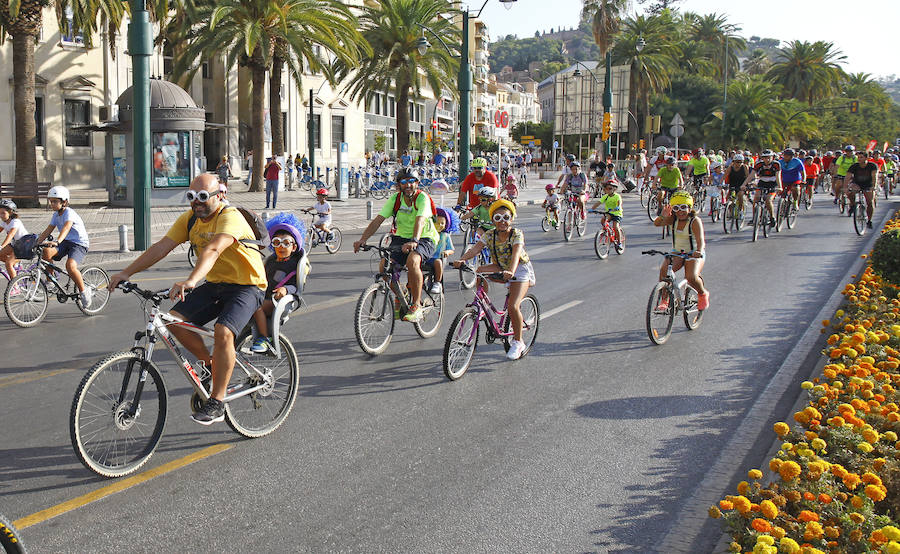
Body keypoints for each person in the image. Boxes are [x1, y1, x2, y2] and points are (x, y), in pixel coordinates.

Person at [109, 174, 268, 425]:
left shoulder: (230, 217)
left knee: (223, 332)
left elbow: (214, 248)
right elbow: (161, 247)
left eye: (204, 197)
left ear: (220, 196)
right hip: (216, 284)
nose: (197, 202)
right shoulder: (190, 219)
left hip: (247, 286)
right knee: (173, 320)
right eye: (192, 197)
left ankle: (217, 402)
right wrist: (126, 272)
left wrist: (191, 281)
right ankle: (211, 366)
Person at [451, 199, 534, 360]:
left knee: (513, 306)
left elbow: (516, 254)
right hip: (500, 266)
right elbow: (475, 249)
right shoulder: (490, 235)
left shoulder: (516, 234)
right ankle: (482, 303)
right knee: (480, 270)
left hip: (519, 269)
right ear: (492, 220)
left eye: (506, 218)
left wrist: (510, 270)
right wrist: (462, 260)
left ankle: (518, 342)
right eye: (497, 218)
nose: (502, 222)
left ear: (512, 219)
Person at [353, 167, 439, 322]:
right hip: (400, 237)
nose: (408, 185)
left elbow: (420, 220)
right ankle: (402, 294)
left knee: (413, 261)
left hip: (425, 237)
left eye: (412, 181)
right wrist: (362, 239)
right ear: (399, 184)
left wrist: (414, 240)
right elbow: (378, 220)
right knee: (384, 266)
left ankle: (416, 305)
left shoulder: (422, 198)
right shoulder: (395, 199)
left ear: (417, 183)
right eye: (404, 182)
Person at [251, 213, 306, 353]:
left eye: (286, 243)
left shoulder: (294, 264)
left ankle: (264, 338)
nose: (281, 247)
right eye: (276, 242)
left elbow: (296, 284)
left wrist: (285, 290)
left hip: (278, 300)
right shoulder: (270, 260)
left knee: (257, 307)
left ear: (294, 247)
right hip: (263, 294)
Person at [34, 186, 92, 307]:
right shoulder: (56, 215)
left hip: (79, 243)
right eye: (51, 201)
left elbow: (66, 228)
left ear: (64, 202)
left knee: (70, 266)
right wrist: (37, 242)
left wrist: (58, 241)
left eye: (55, 201)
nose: (52, 204)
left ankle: (83, 291)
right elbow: (48, 230)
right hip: (66, 242)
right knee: (46, 252)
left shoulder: (69, 213)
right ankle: (50, 281)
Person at [652, 190, 709, 311]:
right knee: (664, 271)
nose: (680, 211)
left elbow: (701, 240)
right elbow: (657, 224)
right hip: (677, 253)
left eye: (683, 207)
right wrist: (663, 215)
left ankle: (702, 294)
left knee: (691, 277)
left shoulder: (694, 221)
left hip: (693, 254)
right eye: (676, 208)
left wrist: (698, 251)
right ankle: (664, 300)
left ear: (689, 207)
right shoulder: (673, 219)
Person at [742, 149, 782, 225]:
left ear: (772, 157)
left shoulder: (776, 164)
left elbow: (778, 176)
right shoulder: (758, 164)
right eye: (764, 157)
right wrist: (744, 184)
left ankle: (772, 217)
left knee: (768, 200)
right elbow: (751, 175)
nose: (766, 160)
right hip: (762, 182)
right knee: (756, 199)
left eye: (768, 157)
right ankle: (754, 218)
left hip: (773, 183)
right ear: (762, 158)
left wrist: (780, 187)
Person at [0, 200, 33, 281]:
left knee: (8, 263)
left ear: (11, 213)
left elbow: (10, 235)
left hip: (24, 245)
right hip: (16, 245)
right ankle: (16, 265)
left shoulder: (15, 222)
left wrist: (1, 246)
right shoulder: (4, 222)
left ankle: (15, 286)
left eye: (3, 213)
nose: (1, 216)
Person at [845, 154, 879, 228]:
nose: (859, 159)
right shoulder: (854, 166)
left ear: (866, 158)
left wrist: (874, 187)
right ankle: (853, 204)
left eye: (861, 157)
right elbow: (848, 177)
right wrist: (845, 187)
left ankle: (869, 220)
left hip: (868, 184)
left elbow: (874, 177)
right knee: (850, 191)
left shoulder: (872, 166)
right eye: (858, 157)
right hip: (857, 184)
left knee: (870, 202)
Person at [428, 207, 456, 294]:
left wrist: (447, 252)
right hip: (426, 257)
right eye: (437, 223)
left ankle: (437, 283)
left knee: (438, 262)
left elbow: (451, 249)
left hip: (438, 258)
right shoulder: (427, 234)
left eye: (442, 223)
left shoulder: (445, 236)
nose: (440, 225)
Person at [590, 180, 625, 249]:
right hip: (609, 213)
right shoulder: (606, 196)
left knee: (616, 227)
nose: (607, 190)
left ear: (614, 189)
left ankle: (619, 242)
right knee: (603, 220)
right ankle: (607, 231)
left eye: (610, 188)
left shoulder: (617, 196)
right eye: (606, 189)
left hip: (617, 213)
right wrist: (592, 209)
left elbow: (619, 203)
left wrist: (617, 207)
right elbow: (598, 202)